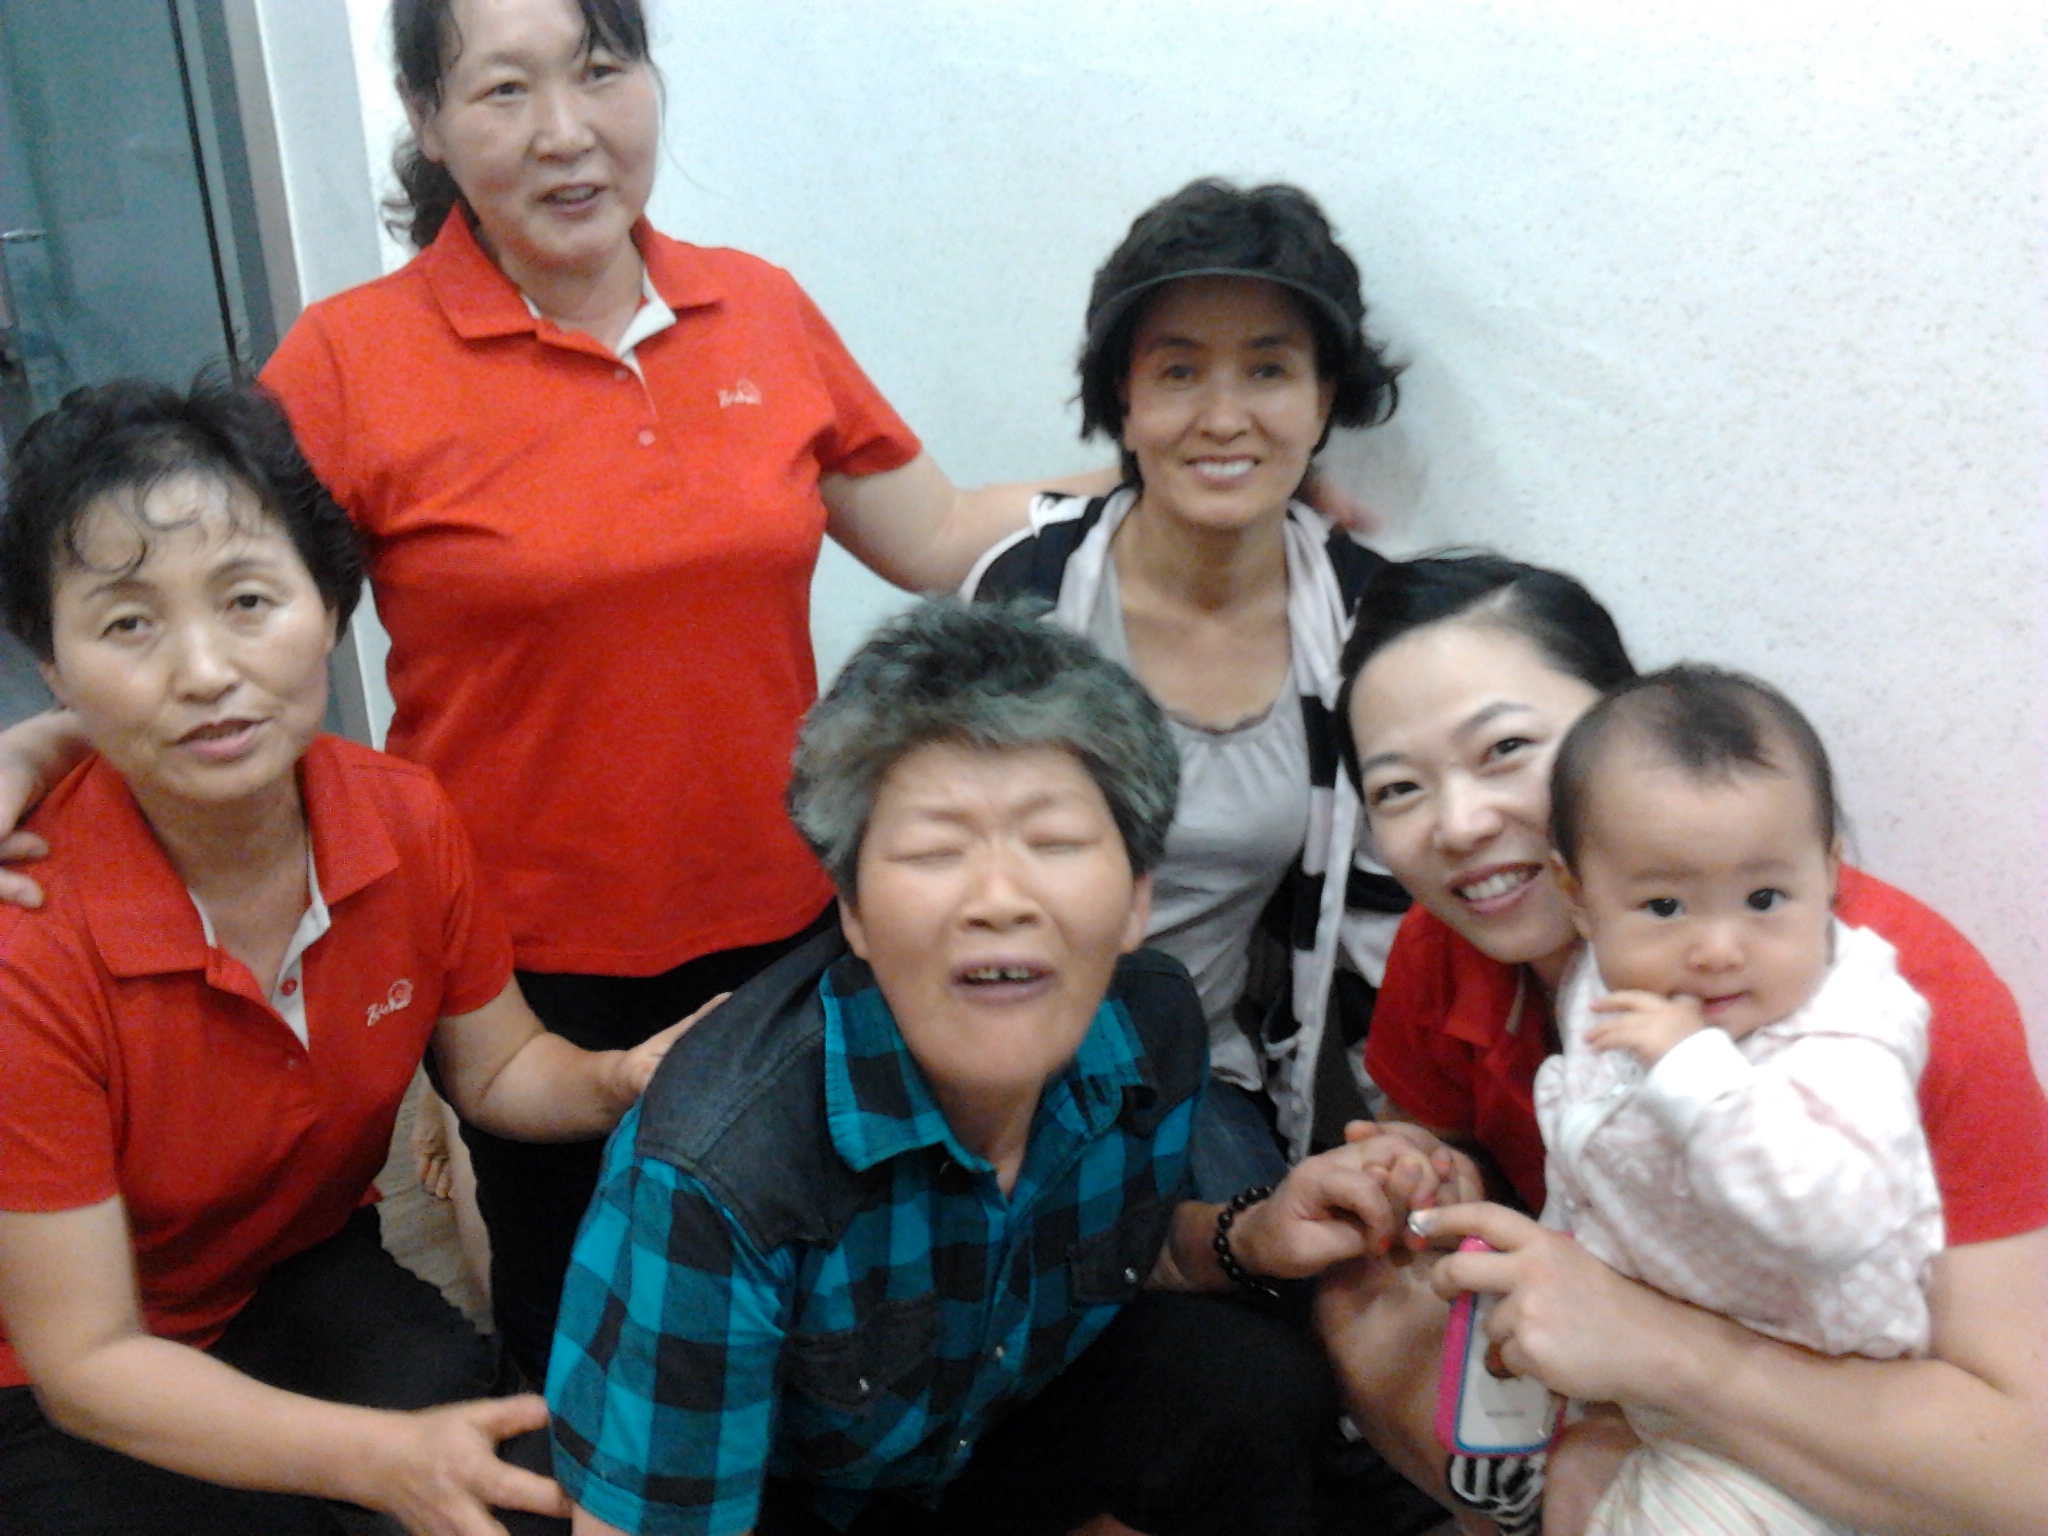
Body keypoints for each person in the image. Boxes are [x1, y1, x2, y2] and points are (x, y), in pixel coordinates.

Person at [0, 0, 1107, 1383]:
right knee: (588, 1349)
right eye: (504, 90)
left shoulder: (757, 307)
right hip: (516, 968)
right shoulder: (350, 360)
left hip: (787, 920)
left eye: (600, 71)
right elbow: (201, 601)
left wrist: (1162, 479)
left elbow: (940, 534)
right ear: (427, 121)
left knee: (806, 1319)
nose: (566, 133)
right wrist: (44, 745)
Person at [546, 598, 1441, 1536]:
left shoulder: (1150, 1027)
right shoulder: (719, 1170)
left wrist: (1248, 1236)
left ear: (1136, 900)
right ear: (854, 912)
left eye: (1054, 843)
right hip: (790, 1504)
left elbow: (1113, 1255)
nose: (999, 898)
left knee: (1254, 1382)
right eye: (935, 850)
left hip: (984, 1438)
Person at [0, 376, 705, 1536]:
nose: (203, 670)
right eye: (128, 623)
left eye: (247, 599)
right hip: (54, 1376)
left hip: (291, 1267)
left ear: (330, 609)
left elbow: (495, 1068)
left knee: (522, 1496)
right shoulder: (30, 936)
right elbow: (83, 1361)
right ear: (53, 667)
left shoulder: (402, 817)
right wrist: (380, 1461)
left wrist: (616, 1078)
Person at [1316, 552, 2048, 1536]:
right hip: (1609, 1345)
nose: (1458, 825)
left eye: (1504, 749)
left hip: (1861, 1405)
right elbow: (1432, 1123)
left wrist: (1654, 1349)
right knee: (1358, 1292)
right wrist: (1425, 1172)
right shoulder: (1454, 940)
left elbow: (2023, 1477)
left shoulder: (1892, 1004)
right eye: (1399, 788)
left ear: (1626, 725)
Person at [964, 178, 1411, 1200]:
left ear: (1323, 398)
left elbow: (1389, 931)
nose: (1222, 417)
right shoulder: (1031, 594)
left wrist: (1413, 1142)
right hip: (987, 1055)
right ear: (1123, 402)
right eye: (1177, 371)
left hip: (1193, 1079)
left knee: (1249, 1301)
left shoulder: (1364, 626)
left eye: (1268, 369)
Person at [1539, 663, 1943, 1533]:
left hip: (1809, 1400)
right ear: (1579, 900)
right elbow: (1591, 1133)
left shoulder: (1846, 1038)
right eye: (1664, 905)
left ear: (1828, 875)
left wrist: (1699, 1079)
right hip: (1655, 1355)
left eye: (1764, 898)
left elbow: (1832, 1220)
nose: (1719, 947)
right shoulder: (1612, 984)